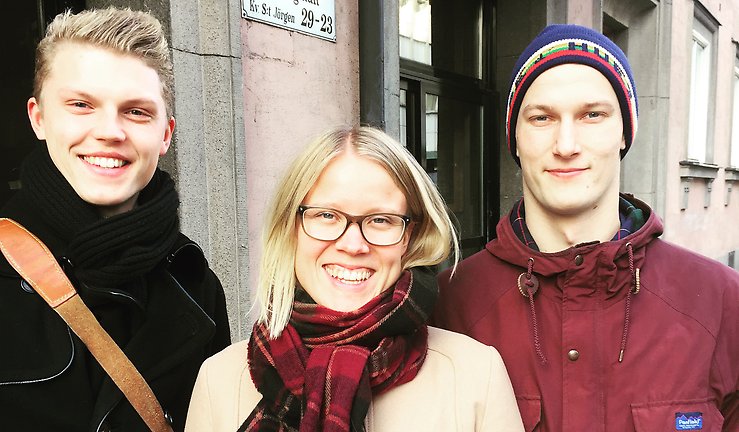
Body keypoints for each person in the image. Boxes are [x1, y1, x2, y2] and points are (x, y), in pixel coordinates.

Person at [431, 23, 739, 431]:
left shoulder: (721, 302)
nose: (566, 145)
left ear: (624, 133)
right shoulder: (451, 304)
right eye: (541, 117)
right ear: (515, 139)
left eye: (592, 115)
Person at [185, 126, 524, 431]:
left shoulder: (475, 377)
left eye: (380, 220)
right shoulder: (219, 381)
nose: (353, 245)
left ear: (408, 237)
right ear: (291, 228)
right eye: (326, 215)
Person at [0, 7, 231, 431]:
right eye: (81, 105)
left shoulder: (198, 285)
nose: (110, 131)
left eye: (137, 112)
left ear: (165, 134)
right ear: (39, 118)